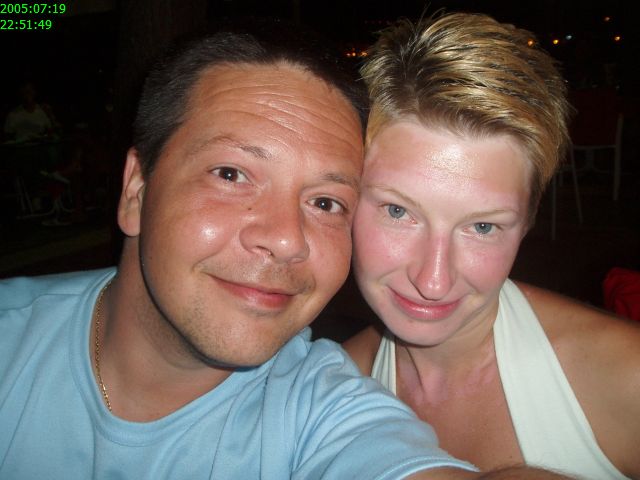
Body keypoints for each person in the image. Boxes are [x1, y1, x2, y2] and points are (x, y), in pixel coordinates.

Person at [0, 23, 574, 480]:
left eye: (325, 202)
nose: (285, 238)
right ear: (136, 190)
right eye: (231, 174)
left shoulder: (323, 408)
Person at [344, 12, 640, 480]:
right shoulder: (332, 385)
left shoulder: (626, 379)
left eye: (482, 226)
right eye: (398, 211)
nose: (433, 280)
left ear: (527, 222)